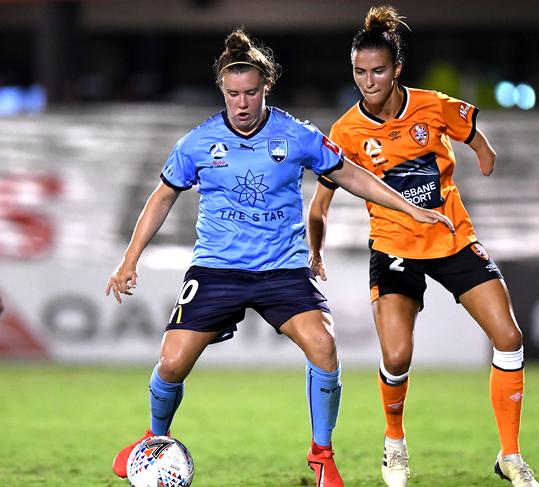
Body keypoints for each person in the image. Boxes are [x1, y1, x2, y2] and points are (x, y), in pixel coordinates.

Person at [106, 27, 453, 487]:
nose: (242, 103)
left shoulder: (297, 135)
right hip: (218, 268)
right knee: (170, 363)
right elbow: (163, 196)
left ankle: (322, 454)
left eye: (251, 93)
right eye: (233, 94)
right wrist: (129, 259)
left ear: (266, 86)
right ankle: (154, 440)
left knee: (324, 347)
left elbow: (352, 175)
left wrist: (410, 207)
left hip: (283, 269)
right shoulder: (198, 143)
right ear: (222, 91)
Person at [308, 6, 539, 487]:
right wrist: (315, 248)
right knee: (396, 356)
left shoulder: (431, 105)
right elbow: (321, 203)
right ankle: (394, 443)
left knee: (510, 338)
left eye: (377, 71)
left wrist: (485, 154)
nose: (367, 81)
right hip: (395, 247)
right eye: (359, 72)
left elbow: (474, 134)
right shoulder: (346, 132)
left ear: (397, 70)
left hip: (452, 238)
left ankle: (511, 457)